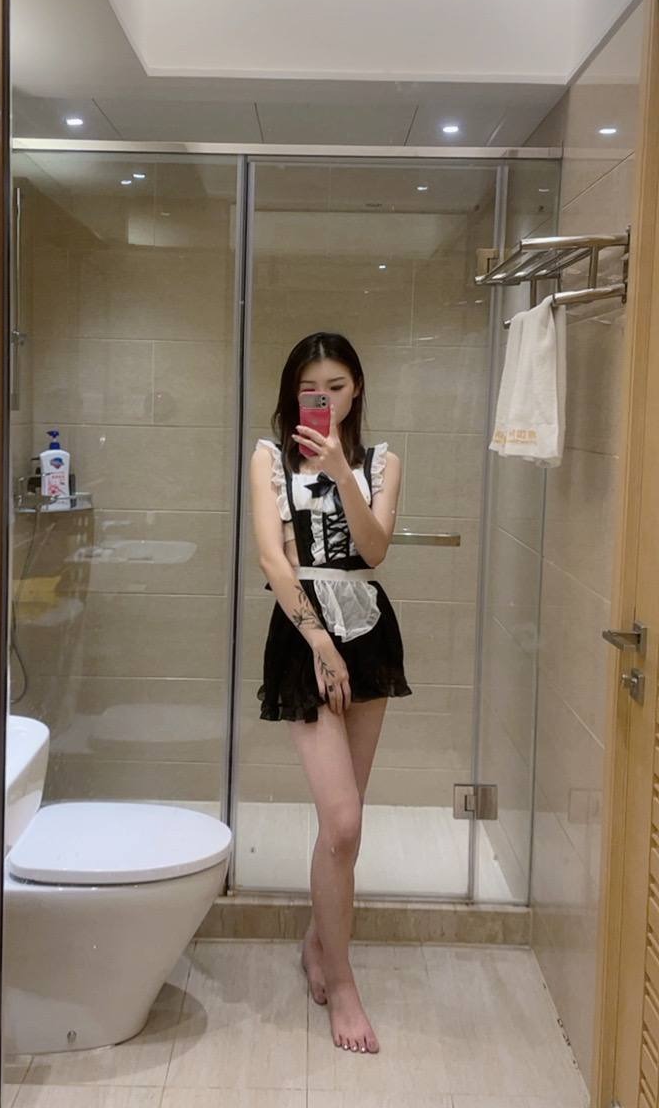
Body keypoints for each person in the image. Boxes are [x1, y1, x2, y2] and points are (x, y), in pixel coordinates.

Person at [249, 331, 412, 1055]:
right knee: (341, 822)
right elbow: (271, 558)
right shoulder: (268, 458)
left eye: (337, 387)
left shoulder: (382, 463)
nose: (324, 399)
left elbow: (374, 549)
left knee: (345, 826)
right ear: (293, 394)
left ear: (357, 389)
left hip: (368, 629)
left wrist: (344, 470)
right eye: (311, 389)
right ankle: (343, 984)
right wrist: (318, 643)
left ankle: (320, 945)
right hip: (304, 633)